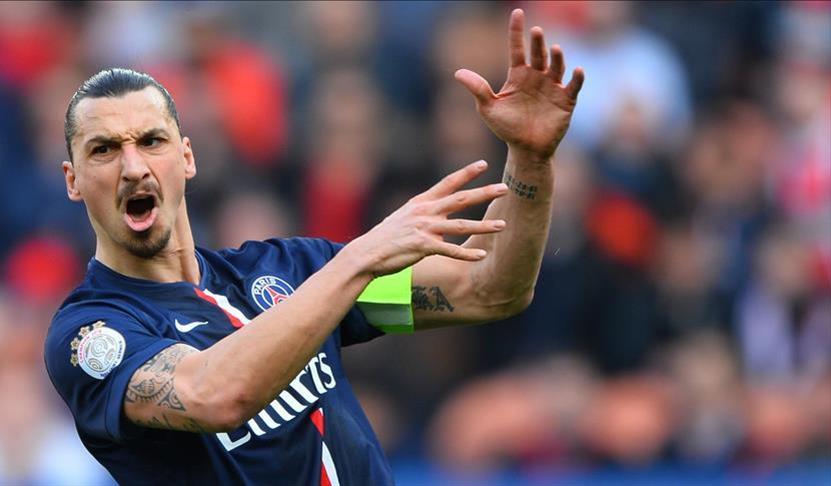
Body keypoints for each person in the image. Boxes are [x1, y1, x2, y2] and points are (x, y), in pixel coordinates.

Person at [44, 9, 583, 485]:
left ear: (186, 157)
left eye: (151, 141)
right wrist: (358, 259)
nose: (133, 166)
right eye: (104, 150)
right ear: (73, 179)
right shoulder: (92, 333)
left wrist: (530, 158)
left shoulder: (287, 268)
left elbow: (491, 290)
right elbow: (215, 395)